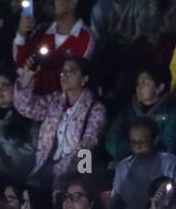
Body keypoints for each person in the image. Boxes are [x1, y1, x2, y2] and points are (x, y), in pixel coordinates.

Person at [13, 55, 107, 188]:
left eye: (71, 72)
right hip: (45, 167)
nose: (64, 75)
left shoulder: (95, 109)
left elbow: (88, 145)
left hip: (75, 173)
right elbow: (25, 107)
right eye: (63, 71)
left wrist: (61, 173)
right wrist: (27, 76)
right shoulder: (54, 101)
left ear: (84, 79)